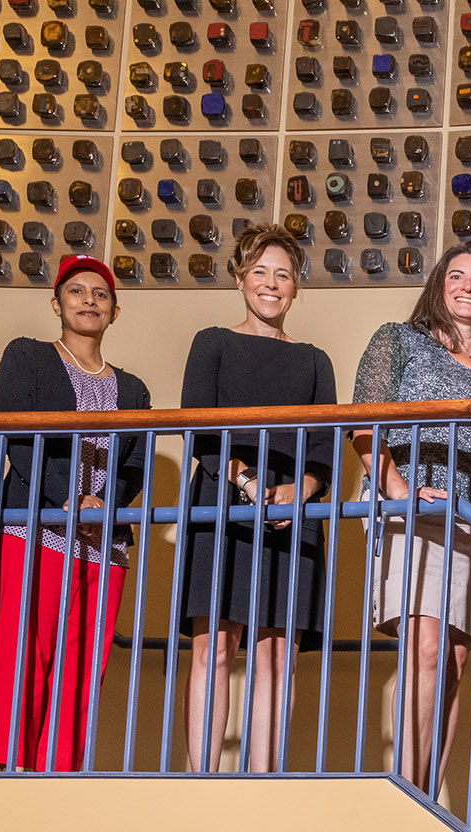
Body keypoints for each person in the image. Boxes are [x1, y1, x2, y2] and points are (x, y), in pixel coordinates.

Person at [354, 241, 471, 796]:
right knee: (423, 648)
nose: (467, 286)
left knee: (452, 661)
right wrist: (397, 489)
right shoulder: (398, 341)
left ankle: (427, 797)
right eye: (457, 276)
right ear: (439, 284)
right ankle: (404, 791)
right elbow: (363, 422)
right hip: (415, 508)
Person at [0, 254, 153, 772]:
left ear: (114, 312)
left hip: (103, 544)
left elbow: (137, 462)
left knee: (82, 669)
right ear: (56, 303)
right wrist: (67, 501)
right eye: (77, 292)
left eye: (100, 295)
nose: (89, 301)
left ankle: (59, 776)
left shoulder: (135, 388)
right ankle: (7, 772)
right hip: (32, 530)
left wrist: (106, 507)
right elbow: (18, 435)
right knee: (20, 657)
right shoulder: (28, 357)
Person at [176, 223, 336, 773]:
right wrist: (245, 483)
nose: (272, 285)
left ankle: (264, 782)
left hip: (295, 512)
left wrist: (303, 490)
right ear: (241, 279)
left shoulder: (315, 359)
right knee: (214, 645)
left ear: (296, 288)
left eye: (283, 275)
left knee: (275, 656)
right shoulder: (212, 342)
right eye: (261, 273)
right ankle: (202, 779)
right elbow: (200, 430)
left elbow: (326, 446)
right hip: (223, 499)